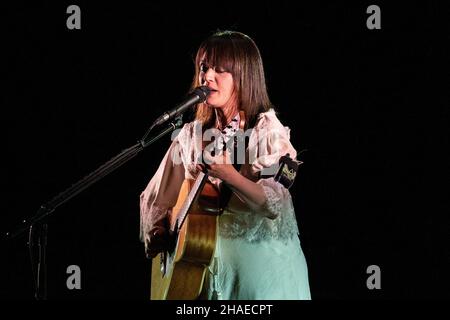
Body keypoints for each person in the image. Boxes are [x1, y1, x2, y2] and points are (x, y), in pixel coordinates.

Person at [139, 30, 311, 300]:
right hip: (203, 284)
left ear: (244, 75)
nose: (206, 77)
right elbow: (154, 197)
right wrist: (155, 230)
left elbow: (274, 201)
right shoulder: (190, 137)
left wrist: (230, 175)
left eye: (220, 70)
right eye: (204, 67)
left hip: (262, 283)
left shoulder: (266, 132)